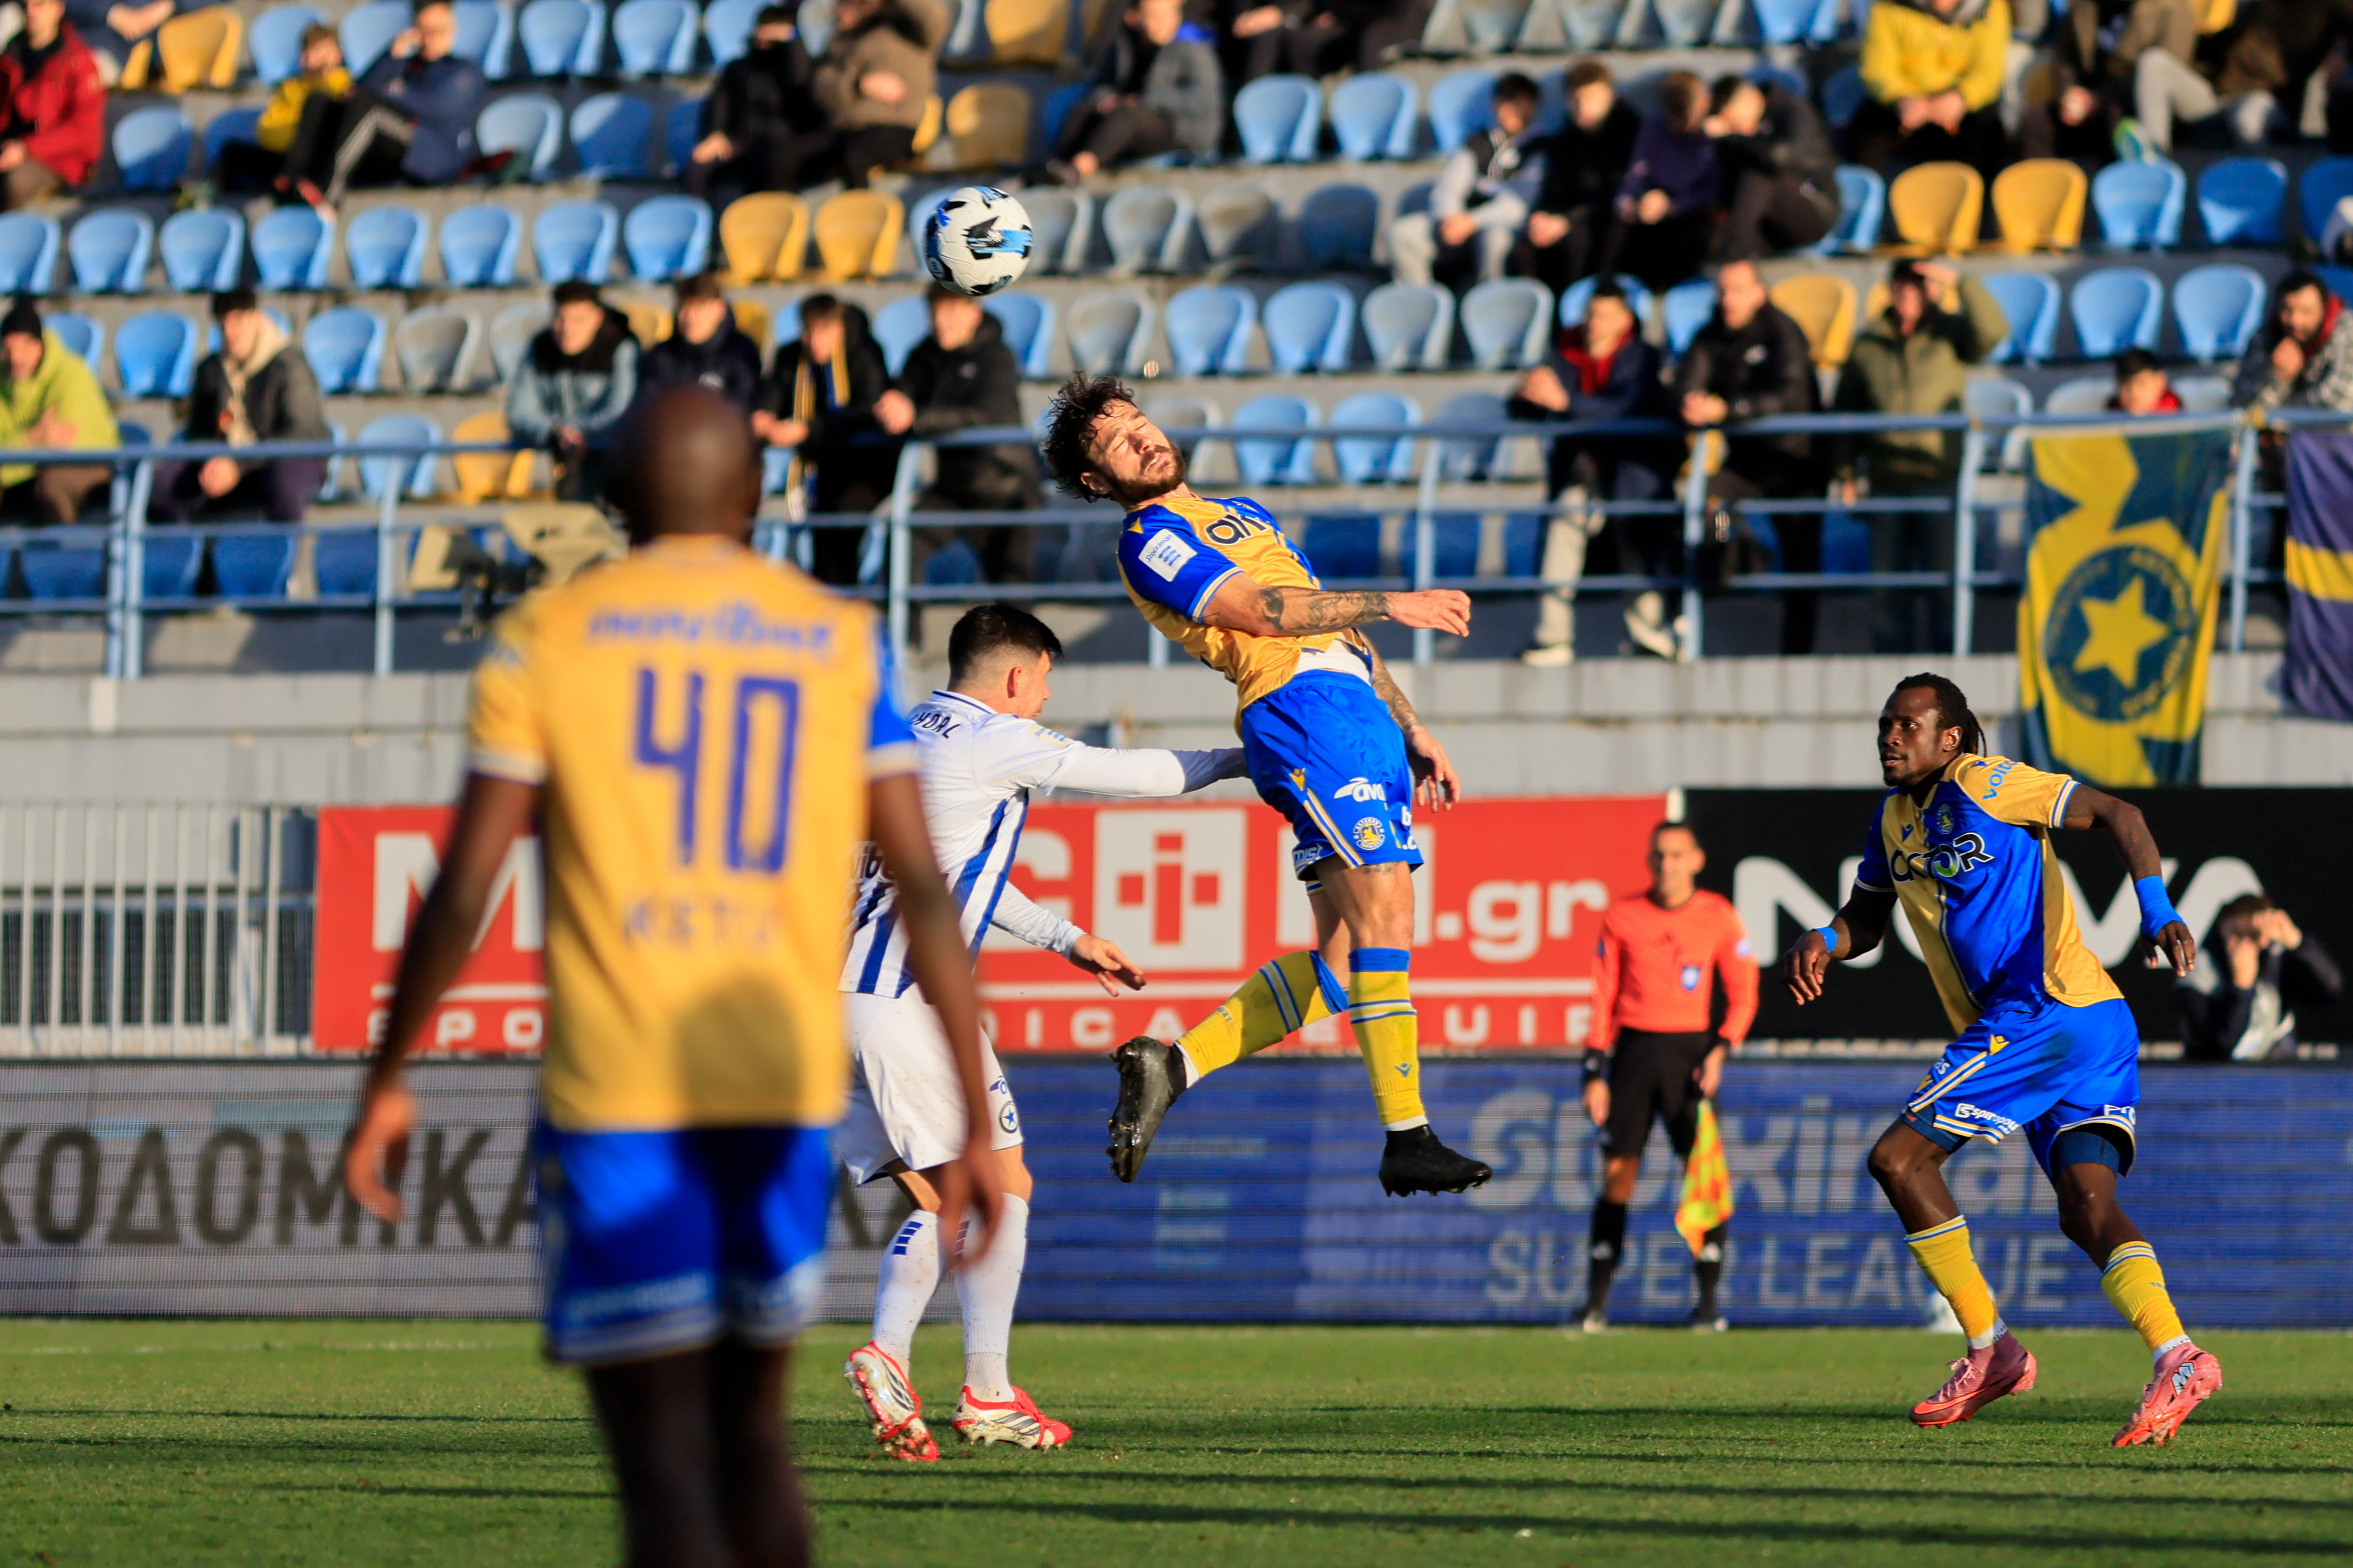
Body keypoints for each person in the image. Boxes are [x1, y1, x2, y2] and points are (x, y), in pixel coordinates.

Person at [345, 384, 1005, 1568]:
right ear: (754, 492)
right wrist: (967, 1114)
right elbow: (918, 883)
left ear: (613, 495)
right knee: (751, 1445)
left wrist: (388, 1072)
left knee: (660, 1468)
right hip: (775, 1090)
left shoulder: (551, 636)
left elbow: (466, 881)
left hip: (620, 1092)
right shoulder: (834, 636)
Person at [1035, 374, 1493, 1198]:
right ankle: (1407, 1136)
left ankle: (1173, 1065)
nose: (1139, 436)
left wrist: (1412, 726)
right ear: (1098, 482)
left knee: (1345, 961)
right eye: (1113, 440)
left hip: (1354, 711)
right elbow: (1262, 613)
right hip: (1302, 710)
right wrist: (1396, 602)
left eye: (1137, 420)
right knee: (1387, 912)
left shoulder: (1242, 512)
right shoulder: (1151, 540)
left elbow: (1329, 620)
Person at [840, 604, 1248, 1459]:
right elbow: (1133, 773)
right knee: (995, 1184)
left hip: (842, 998)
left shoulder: (909, 732)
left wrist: (1067, 938)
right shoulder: (992, 737)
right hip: (901, 993)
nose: (1046, 698)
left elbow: (960, 870)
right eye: (1045, 680)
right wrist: (1248, 758)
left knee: (954, 1195)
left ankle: (937, 1378)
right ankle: (949, 1378)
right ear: (1018, 674)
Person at [1777, 674, 2220, 1444]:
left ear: (1948, 737)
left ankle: (1991, 1350)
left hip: (2043, 1012)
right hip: (2089, 1022)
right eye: (1884, 724)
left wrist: (2157, 911)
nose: (1889, 737)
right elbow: (1865, 919)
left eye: (1906, 725)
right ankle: (2177, 1355)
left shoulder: (1985, 780)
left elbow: (2120, 814)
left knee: (1898, 1160)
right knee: (2086, 1209)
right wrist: (1822, 938)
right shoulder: (1892, 819)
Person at [1578, 821, 1756, 1333]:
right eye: (1659, 854)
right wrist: (1593, 1071)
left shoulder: (1718, 916)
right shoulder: (1623, 915)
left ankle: (1707, 1306)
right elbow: (1602, 995)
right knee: (1617, 1175)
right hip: (1634, 1054)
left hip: (1690, 1057)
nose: (1666, 864)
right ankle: (1595, 1305)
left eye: (1676, 855)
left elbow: (1743, 993)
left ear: (1696, 860)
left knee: (1703, 1178)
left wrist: (1720, 1050)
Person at [1829, 258, 2007, 654]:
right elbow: (1846, 412)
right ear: (1891, 289)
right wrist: (1845, 472)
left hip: (1938, 478)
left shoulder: (1950, 334)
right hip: (1886, 480)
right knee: (1887, 590)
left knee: (1944, 584)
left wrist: (1960, 281)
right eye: (1903, 284)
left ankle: (1946, 668)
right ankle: (1892, 671)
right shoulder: (1868, 344)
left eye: (1918, 285)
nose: (1909, 293)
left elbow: (1993, 332)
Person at [1507, 279, 1674, 667]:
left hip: (1633, 471)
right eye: (1590, 314)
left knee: (1638, 544)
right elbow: (1530, 408)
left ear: (1625, 321)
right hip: (1582, 470)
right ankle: (1553, 636)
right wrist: (1525, 392)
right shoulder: (1562, 353)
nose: (1593, 323)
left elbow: (1624, 407)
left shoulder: (1642, 357)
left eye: (1603, 316)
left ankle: (1649, 634)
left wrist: (1565, 401)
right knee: (1563, 529)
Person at [1673, 260, 1822, 658]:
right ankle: (1745, 553)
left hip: (1796, 461)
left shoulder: (1783, 332)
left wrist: (1729, 410)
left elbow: (1790, 395)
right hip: (1748, 463)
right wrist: (1689, 402)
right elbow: (1687, 378)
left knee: (1802, 565)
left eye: (1737, 291)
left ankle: (1798, 655)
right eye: (1722, 291)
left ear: (1759, 293)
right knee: (1708, 503)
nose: (1728, 300)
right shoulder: (1711, 334)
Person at [874, 284, 1041, 584]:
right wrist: (891, 407)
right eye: (935, 312)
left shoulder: (998, 357)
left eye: (951, 311)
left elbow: (984, 415)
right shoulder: (924, 355)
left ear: (974, 314)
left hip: (1005, 487)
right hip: (951, 490)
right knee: (901, 546)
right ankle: (902, 617)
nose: (941, 322)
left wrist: (916, 418)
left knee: (1012, 593)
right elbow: (901, 393)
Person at [275, 0, 486, 213]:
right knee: (319, 101)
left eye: (438, 31)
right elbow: (355, 94)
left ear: (453, 29)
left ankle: (329, 193)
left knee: (372, 111)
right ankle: (293, 181)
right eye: (423, 32)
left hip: (432, 158)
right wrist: (392, 55)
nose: (430, 39)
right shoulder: (405, 65)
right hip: (390, 152)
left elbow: (432, 106)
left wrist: (389, 93)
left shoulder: (465, 72)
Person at [150, 290, 329, 527]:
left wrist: (239, 465)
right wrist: (214, 461)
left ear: (257, 319)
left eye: (238, 322)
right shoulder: (211, 370)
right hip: (230, 461)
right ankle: (185, 549)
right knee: (165, 484)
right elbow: (197, 431)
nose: (230, 332)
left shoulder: (291, 367)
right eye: (224, 324)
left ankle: (283, 548)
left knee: (284, 480)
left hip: (279, 462)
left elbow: (300, 434)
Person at [754, 294, 894, 586]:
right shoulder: (792, 357)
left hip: (863, 469)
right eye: (809, 332)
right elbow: (773, 392)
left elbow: (866, 412)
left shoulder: (866, 354)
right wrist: (763, 416)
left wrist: (809, 430)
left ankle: (842, 599)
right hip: (815, 469)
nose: (815, 341)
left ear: (840, 329)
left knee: (840, 524)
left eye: (823, 331)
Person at [1386, 73, 1547, 294]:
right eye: (1507, 104)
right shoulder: (1477, 142)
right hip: (1460, 223)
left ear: (1534, 108)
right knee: (1401, 234)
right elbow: (1448, 187)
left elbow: (1521, 203)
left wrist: (1473, 221)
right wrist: (1450, 217)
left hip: (1501, 225)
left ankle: (1487, 304)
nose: (1513, 112)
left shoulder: (1540, 148)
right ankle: (1423, 302)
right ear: (1496, 105)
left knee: (1495, 239)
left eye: (1522, 105)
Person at [1045, 0, 1222, 184]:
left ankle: (1079, 169)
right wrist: (1107, 100)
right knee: (1085, 111)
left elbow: (1204, 100)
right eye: (1155, 16)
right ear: (1134, 18)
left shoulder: (1193, 50)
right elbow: (1105, 83)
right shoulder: (1125, 47)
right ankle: (1057, 166)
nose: (1164, 22)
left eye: (1170, 15)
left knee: (1127, 117)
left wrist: (1144, 100)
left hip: (1180, 131)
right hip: (1134, 121)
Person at [1847, 0, 2013, 189]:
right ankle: (1868, 199)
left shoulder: (1991, 7)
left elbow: (1989, 72)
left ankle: (1978, 202)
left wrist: (1962, 98)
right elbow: (1877, 69)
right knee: (1868, 130)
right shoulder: (1888, 6)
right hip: (1906, 103)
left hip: (1962, 105)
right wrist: (1901, 98)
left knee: (1989, 134)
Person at [506, 281, 640, 505]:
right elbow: (518, 413)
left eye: (578, 320)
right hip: (567, 469)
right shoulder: (539, 348)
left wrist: (577, 432)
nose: (567, 329)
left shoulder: (621, 348)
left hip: (616, 472)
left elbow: (620, 412)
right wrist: (555, 432)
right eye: (560, 320)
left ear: (597, 318)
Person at [1515, 57, 1640, 296]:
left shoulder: (1631, 134)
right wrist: (1543, 216)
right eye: (1576, 100)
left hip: (1607, 220)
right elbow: (1555, 188)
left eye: (1592, 99)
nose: (1583, 107)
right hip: (1568, 218)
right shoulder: (1566, 140)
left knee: (1579, 241)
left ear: (1610, 96)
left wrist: (1567, 221)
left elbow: (1618, 193)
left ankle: (1579, 310)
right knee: (1525, 245)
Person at [2022, 0, 2196, 164]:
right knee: (2037, 120)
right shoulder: (2083, 6)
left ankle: (2122, 182)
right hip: (2088, 97)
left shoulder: (2170, 7)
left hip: (2133, 100)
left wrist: (2099, 98)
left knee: (2115, 117)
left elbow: (2167, 72)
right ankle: (2040, 182)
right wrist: (2069, 93)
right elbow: (2065, 60)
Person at [2178, 894, 2342, 1062]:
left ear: (2264, 939)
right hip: (2215, 1075)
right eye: (2237, 933)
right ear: (2222, 926)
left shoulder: (2276, 962)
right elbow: (2222, 1047)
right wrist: (2242, 987)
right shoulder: (2199, 973)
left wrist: (2298, 943)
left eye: (2253, 935)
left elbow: (2330, 988)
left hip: (2276, 1069)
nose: (2242, 945)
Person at [804, 0, 949, 190]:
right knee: (784, 157)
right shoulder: (841, 40)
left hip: (895, 124)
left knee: (855, 156)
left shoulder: (906, 26)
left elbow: (934, 18)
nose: (838, 9)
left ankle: (862, 208)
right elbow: (821, 85)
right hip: (846, 128)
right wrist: (857, 84)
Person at [1596, 70, 1719, 292]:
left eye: (1684, 118)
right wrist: (1633, 204)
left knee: (1690, 234)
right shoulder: (1654, 125)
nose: (1677, 126)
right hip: (1653, 203)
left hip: (1690, 210)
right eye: (1672, 117)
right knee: (1617, 228)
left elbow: (1713, 190)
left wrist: (1674, 206)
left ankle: (1679, 297)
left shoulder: (1714, 136)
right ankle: (1611, 293)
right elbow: (1636, 175)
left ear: (1704, 104)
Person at [683, 4, 821, 198]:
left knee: (770, 162)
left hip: (777, 143)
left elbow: (800, 81)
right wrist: (715, 134)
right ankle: (701, 215)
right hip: (739, 142)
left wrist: (791, 43)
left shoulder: (794, 67)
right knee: (698, 167)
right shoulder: (738, 68)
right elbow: (719, 104)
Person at [0, 298, 116, 525]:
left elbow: (64, 444)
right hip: (30, 470)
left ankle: (60, 547)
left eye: (24, 348)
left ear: (40, 346)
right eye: (8, 349)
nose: (16, 358)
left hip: (91, 464)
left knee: (53, 483)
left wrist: (14, 451)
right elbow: (43, 443)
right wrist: (32, 439)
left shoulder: (72, 374)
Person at [1704, 74, 1840, 262]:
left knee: (1760, 171)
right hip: (1770, 222)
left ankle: (1733, 252)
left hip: (1814, 207)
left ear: (1752, 99)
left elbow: (1778, 158)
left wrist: (1731, 137)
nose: (1737, 130)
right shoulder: (1745, 135)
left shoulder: (1794, 111)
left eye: (1735, 124)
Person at [213, 22, 348, 193]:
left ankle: (292, 183)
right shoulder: (291, 86)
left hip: (316, 159)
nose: (318, 58)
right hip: (287, 154)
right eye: (313, 51)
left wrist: (325, 74)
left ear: (337, 55)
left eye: (325, 52)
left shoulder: (342, 82)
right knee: (231, 151)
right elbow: (267, 129)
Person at [0, 0, 103, 210]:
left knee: (14, 182)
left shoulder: (78, 61)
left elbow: (83, 132)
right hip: (11, 147)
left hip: (59, 161)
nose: (30, 12)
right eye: (25, 6)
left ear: (58, 9)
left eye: (39, 4)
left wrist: (25, 149)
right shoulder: (11, 56)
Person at [2231, 270, 2353, 418]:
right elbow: (2241, 408)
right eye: (2287, 310)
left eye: (2306, 311)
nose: (2295, 321)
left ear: (2324, 310)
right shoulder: (2267, 337)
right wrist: (2279, 380)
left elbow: (2338, 406)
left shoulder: (2347, 332)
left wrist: (2280, 414)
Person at [635, 273, 763, 412]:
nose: (690, 317)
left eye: (699, 307)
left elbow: (744, 407)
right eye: (684, 307)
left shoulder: (741, 353)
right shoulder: (661, 356)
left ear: (719, 309)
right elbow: (647, 406)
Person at [63, 0, 169, 85]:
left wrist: (167, 6)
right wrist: (110, 12)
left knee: (79, 75)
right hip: (69, 44)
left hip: (106, 53)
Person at [2109, 347, 2179, 415]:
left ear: (2160, 381)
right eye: (2126, 383)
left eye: (2142, 384)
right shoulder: (2109, 415)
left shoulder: (2179, 417)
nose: (2134, 392)